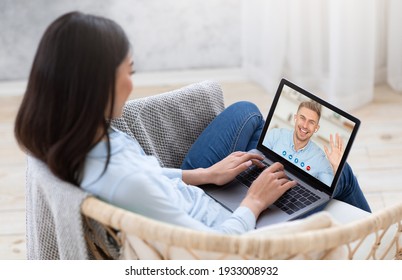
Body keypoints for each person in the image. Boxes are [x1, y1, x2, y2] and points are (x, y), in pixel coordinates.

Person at [14, 12, 370, 236]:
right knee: (338, 174)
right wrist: (254, 202)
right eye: (130, 71)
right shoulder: (126, 180)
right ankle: (385, 251)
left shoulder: (75, 135)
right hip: (227, 226)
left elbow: (146, 176)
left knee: (248, 116)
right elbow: (213, 252)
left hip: (198, 193)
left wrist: (203, 175)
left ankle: (279, 174)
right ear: (99, 82)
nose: (133, 83)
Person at [262, 100, 342, 186]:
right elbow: (259, 159)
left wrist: (336, 167)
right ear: (295, 118)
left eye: (311, 122)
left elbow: (329, 189)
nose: (305, 126)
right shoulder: (275, 135)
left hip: (296, 196)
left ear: (316, 128)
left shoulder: (320, 159)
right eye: (302, 118)